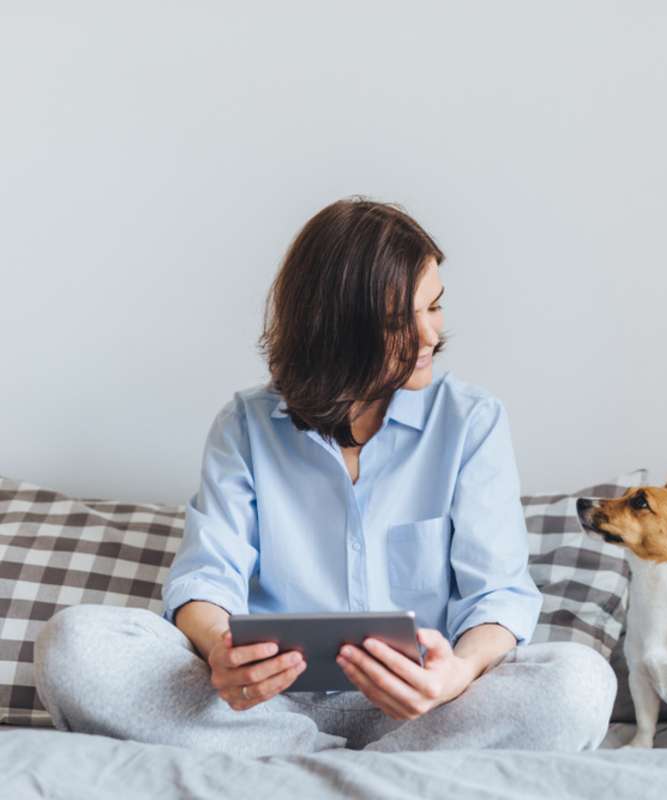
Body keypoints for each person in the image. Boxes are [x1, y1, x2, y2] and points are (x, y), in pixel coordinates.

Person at [32, 196, 617, 755]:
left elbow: (498, 595)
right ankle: (347, 764)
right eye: (397, 320)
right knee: (73, 646)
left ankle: (301, 767)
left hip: (424, 712)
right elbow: (206, 579)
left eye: (434, 306)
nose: (431, 336)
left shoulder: (471, 422)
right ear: (332, 328)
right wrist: (221, 651)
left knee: (580, 683)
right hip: (260, 708)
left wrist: (456, 674)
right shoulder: (245, 426)